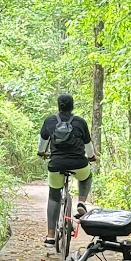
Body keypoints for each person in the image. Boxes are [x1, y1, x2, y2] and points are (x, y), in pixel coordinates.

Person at [37, 93, 95, 243]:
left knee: (54, 195)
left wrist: (42, 153)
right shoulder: (80, 122)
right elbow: (88, 146)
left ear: (58, 106)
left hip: (56, 164)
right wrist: (92, 157)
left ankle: (50, 236)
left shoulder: (49, 121)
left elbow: (42, 144)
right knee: (86, 177)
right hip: (79, 163)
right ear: (72, 106)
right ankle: (81, 202)